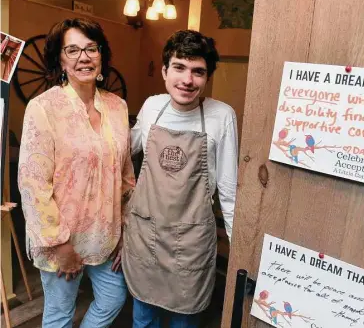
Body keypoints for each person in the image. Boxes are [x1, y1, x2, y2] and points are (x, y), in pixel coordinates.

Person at [18, 18, 135, 328]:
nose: (83, 57)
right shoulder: (44, 108)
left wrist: (125, 228)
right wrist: (59, 245)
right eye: (72, 50)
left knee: (113, 299)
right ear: (61, 59)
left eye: (91, 49)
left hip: (107, 236)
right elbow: (33, 183)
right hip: (63, 238)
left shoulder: (118, 106)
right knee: (59, 316)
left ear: (101, 55)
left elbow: (125, 174)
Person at [122, 29, 238, 327]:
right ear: (164, 70)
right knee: (143, 320)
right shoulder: (151, 107)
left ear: (207, 77)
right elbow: (119, 150)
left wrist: (240, 247)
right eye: (179, 67)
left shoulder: (222, 115)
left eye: (198, 71)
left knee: (183, 322)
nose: (187, 80)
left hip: (191, 242)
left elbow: (227, 187)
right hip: (146, 236)